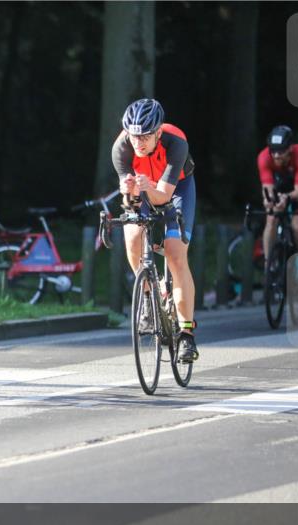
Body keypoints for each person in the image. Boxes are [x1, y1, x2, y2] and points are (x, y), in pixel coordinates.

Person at [112, 98, 199, 363]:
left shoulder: (176, 142)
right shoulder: (121, 147)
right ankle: (148, 297)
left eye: (145, 137)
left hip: (177, 189)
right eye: (134, 136)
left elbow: (163, 196)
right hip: (145, 187)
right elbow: (129, 202)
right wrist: (128, 193)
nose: (138, 143)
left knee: (175, 254)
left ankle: (186, 334)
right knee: (133, 236)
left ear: (159, 132)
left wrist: (147, 187)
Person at [256, 125, 298, 276]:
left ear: (290, 149)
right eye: (273, 151)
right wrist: (269, 201)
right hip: (281, 185)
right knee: (271, 218)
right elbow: (267, 187)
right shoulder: (264, 157)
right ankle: (268, 262)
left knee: (297, 225)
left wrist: (287, 198)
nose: (276, 155)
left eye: (281, 151)